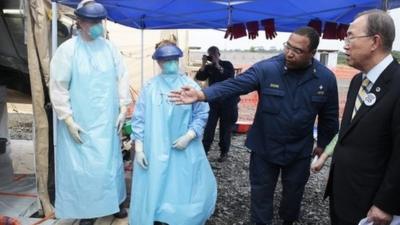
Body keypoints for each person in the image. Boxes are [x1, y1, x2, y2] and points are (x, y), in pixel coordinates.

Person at [169, 26, 339, 225]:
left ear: (312, 53)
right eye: (288, 47)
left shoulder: (325, 78)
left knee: (293, 197)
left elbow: (330, 117)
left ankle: (288, 219)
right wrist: (202, 94)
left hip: (298, 151)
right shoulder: (267, 69)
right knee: (261, 195)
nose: (290, 53)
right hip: (264, 148)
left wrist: (323, 146)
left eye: (298, 51)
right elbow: (235, 85)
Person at [49, 1, 130, 224]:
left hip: (106, 120)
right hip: (81, 122)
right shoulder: (68, 50)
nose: (97, 26)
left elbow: (122, 76)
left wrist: (123, 106)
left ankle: (115, 202)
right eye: (92, 21)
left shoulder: (109, 48)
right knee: (84, 170)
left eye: (100, 21)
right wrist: (67, 118)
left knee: (110, 166)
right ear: (80, 22)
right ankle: (87, 209)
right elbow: (58, 86)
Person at [324, 9, 400, 225]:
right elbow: (348, 134)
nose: (345, 44)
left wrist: (387, 203)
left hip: (374, 206)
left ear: (375, 41)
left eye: (351, 36)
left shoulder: (397, 84)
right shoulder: (358, 81)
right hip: (344, 195)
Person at [129, 39, 217, 225]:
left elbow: (202, 114)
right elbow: (139, 118)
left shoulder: (190, 86)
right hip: (155, 147)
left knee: (182, 187)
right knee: (156, 185)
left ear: (178, 59)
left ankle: (181, 219)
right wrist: (138, 147)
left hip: (183, 148)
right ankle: (157, 217)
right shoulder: (150, 87)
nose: (169, 63)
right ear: (158, 62)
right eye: (165, 59)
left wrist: (190, 135)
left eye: (173, 59)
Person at [195, 46, 238, 162]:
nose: (213, 56)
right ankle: (204, 151)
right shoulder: (209, 68)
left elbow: (229, 77)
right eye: (210, 54)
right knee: (209, 127)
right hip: (213, 102)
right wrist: (203, 64)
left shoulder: (227, 64)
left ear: (219, 54)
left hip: (228, 101)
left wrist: (218, 64)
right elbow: (199, 77)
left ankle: (224, 152)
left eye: (214, 54)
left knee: (226, 129)